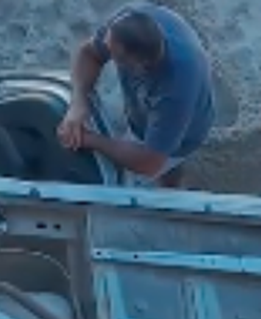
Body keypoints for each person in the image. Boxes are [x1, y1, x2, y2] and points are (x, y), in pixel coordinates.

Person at [56, 2, 215, 189]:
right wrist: (78, 102)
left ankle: (171, 184)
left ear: (140, 66)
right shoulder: (126, 24)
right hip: (149, 104)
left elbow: (149, 162)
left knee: (161, 159)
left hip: (190, 127)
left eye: (113, 54)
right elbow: (89, 53)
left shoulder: (176, 89)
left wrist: (90, 140)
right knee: (153, 143)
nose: (105, 49)